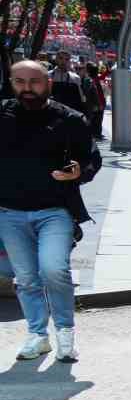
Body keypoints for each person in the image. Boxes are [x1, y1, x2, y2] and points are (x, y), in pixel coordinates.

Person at [0, 59, 100, 362]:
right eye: (20, 82)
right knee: (27, 277)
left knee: (54, 269)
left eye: (34, 82)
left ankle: (66, 334)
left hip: (55, 211)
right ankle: (37, 336)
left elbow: (91, 159)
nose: (27, 88)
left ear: (48, 84)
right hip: (9, 212)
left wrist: (77, 172)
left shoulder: (69, 119)